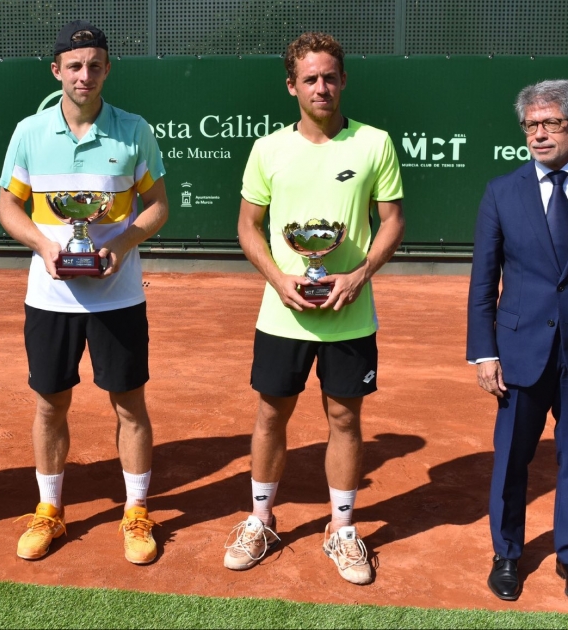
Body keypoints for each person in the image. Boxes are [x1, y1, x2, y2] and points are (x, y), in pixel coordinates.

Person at [226, 32, 405, 585]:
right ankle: (260, 520)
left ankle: (344, 530)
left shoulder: (375, 143)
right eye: (310, 78)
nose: (321, 87)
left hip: (350, 313)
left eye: (330, 76)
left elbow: (393, 220)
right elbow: (247, 225)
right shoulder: (268, 149)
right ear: (291, 86)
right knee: (270, 415)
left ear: (343, 80)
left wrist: (359, 274)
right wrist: (279, 278)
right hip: (283, 313)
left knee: (345, 418)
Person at [0, 20, 169, 565]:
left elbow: (158, 205)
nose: (84, 75)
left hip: (118, 296)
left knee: (130, 404)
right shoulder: (29, 131)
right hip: (50, 298)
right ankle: (50, 511)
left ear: (107, 70)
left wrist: (124, 243)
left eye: (95, 65)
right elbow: (7, 207)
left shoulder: (134, 130)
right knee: (50, 404)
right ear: (57, 71)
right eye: (74, 66)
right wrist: (46, 248)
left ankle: (136, 511)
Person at [467, 79, 568, 601]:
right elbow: (484, 283)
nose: (539, 134)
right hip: (521, 351)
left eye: (551, 122)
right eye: (531, 125)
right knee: (511, 459)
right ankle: (507, 554)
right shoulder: (502, 192)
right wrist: (485, 353)